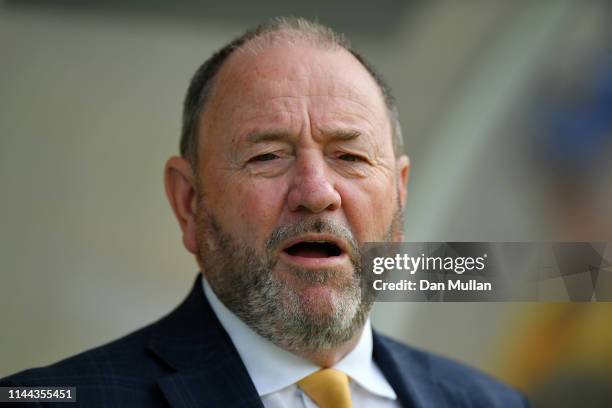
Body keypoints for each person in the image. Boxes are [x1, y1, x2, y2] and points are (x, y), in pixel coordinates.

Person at [0, 17, 527, 407]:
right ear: (189, 202)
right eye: (267, 156)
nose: (317, 191)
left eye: (350, 156)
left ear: (401, 192)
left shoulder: (494, 403)